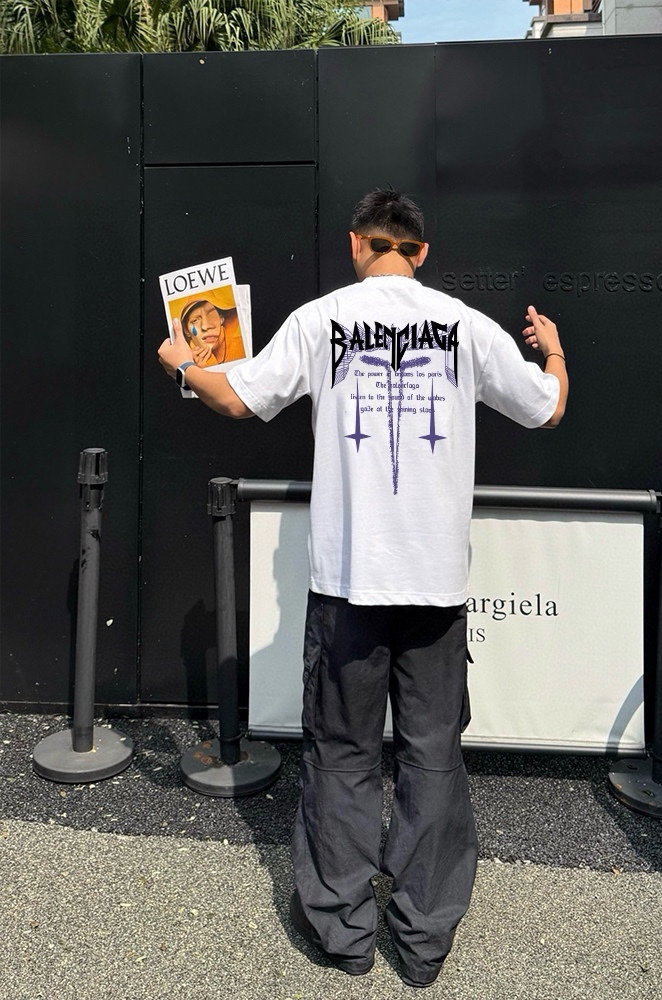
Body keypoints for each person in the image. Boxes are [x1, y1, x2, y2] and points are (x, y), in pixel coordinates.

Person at [158, 189, 568, 989]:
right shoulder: (464, 325)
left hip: (348, 586)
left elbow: (236, 396)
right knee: (432, 757)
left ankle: (344, 934)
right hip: (435, 588)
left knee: (342, 756)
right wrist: (551, 351)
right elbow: (548, 409)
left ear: (356, 243)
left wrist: (181, 361)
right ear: (421, 250)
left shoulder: (321, 320)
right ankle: (422, 939)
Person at [177, 289, 245, 367]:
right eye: (195, 320)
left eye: (211, 316)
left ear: (221, 319)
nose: (205, 326)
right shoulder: (182, 360)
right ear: (186, 330)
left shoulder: (243, 347)